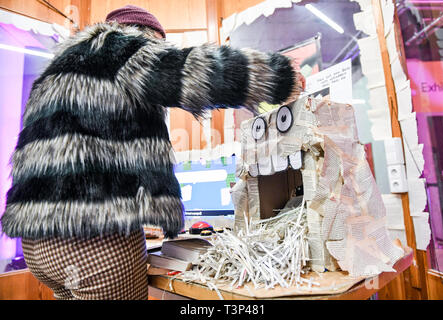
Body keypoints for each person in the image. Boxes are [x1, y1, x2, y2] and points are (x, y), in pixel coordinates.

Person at [0, 5, 305, 300]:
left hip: (38, 243)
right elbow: (195, 73)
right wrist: (277, 79)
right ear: (144, 37)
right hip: (92, 238)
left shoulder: (59, 69)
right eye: (159, 48)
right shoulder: (118, 50)